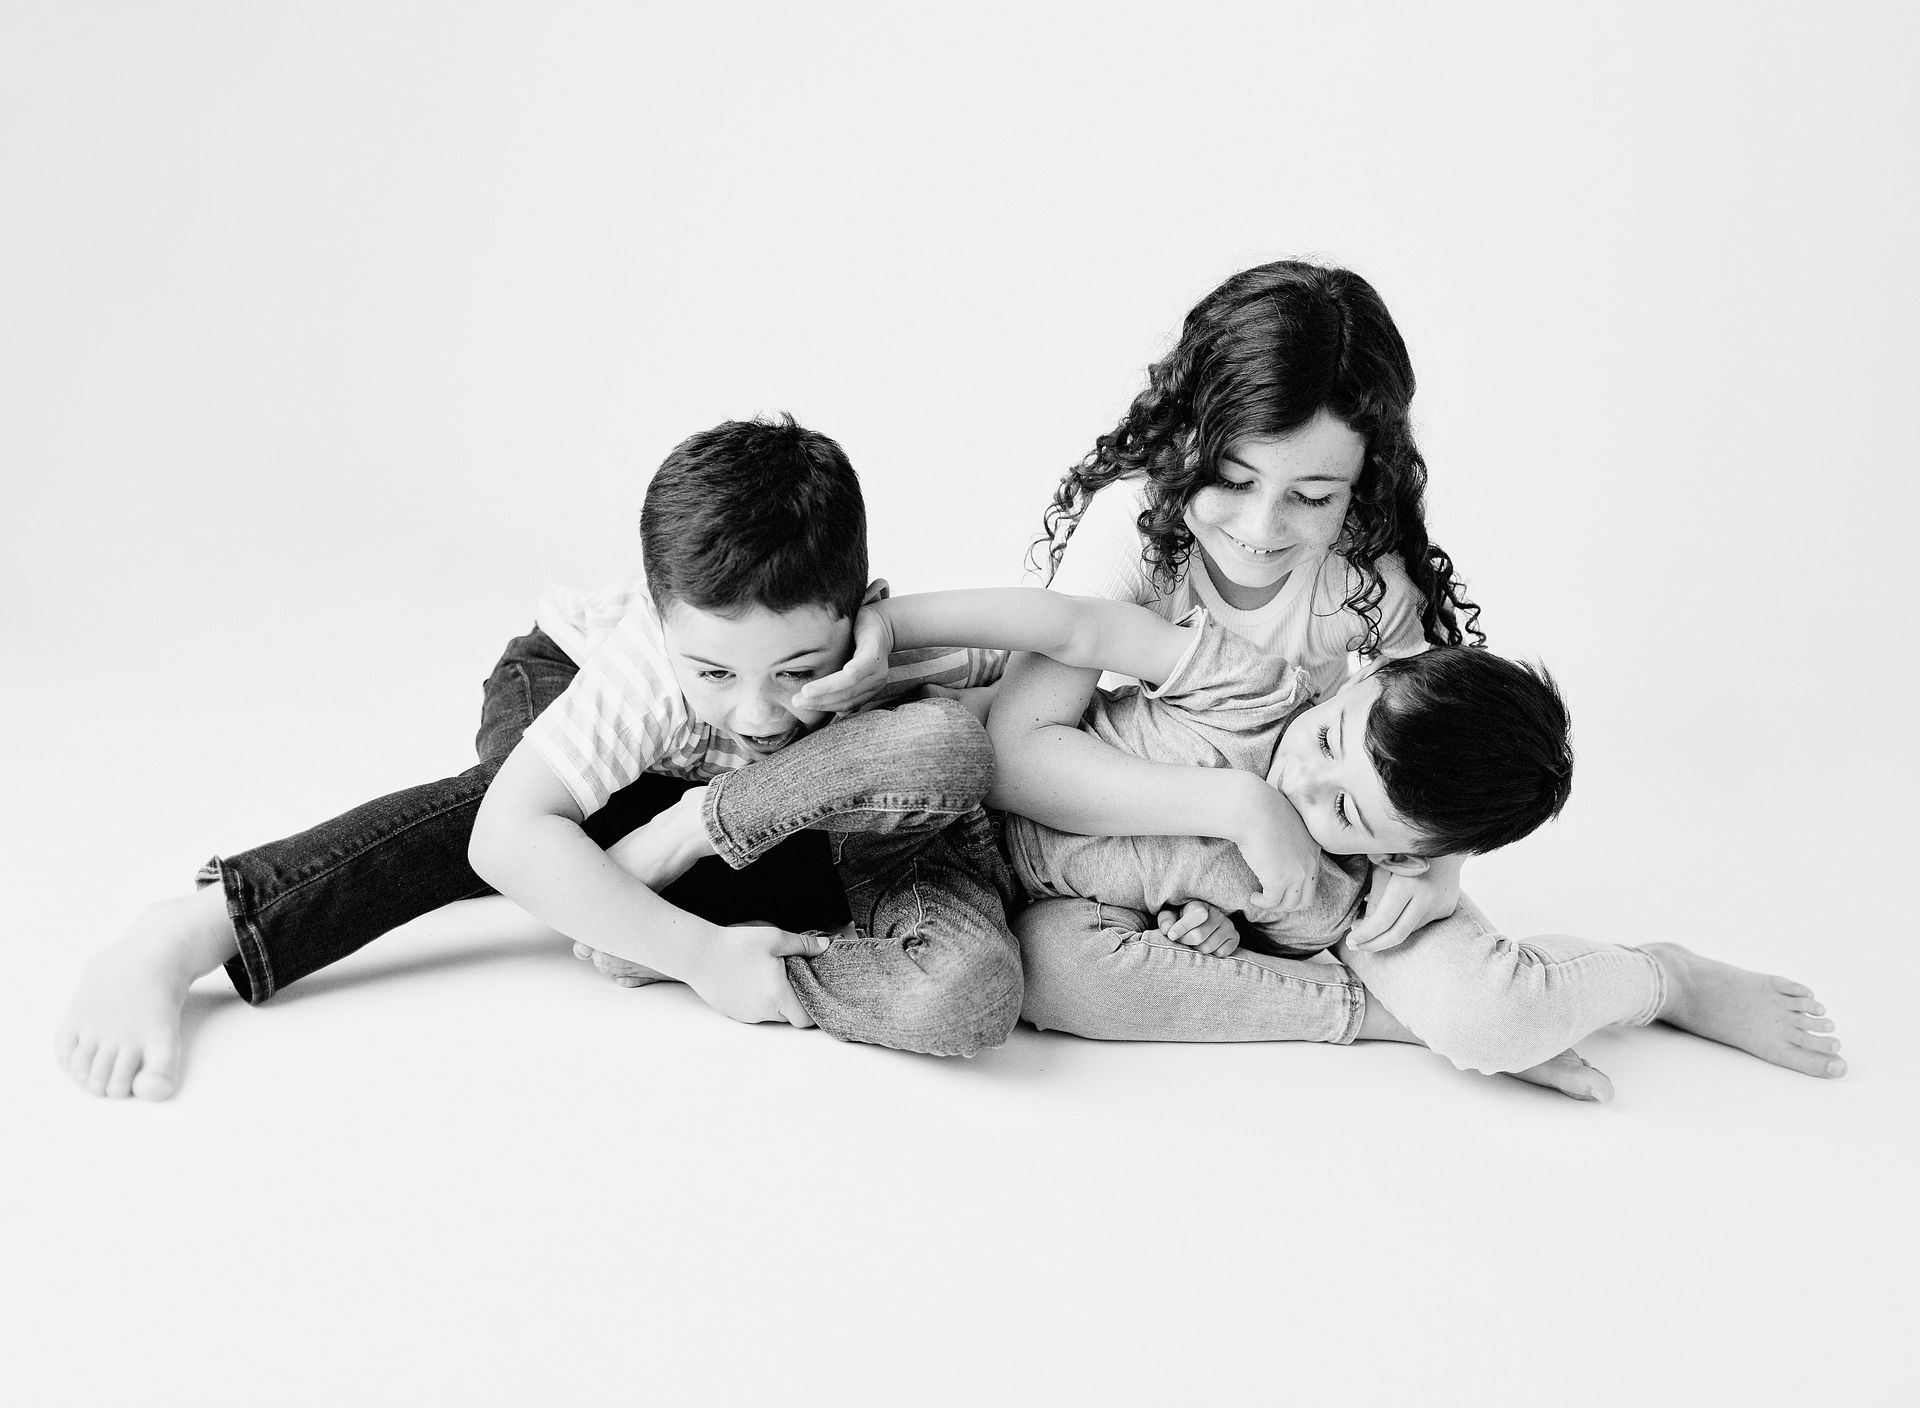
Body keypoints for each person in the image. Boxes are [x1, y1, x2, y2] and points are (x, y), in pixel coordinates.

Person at [798, 259, 1842, 1099]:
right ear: (1184, 443)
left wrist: (1436, 862)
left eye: (1311, 496)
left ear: (1363, 486)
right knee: (1056, 972)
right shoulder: (1154, 550)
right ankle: (1375, 1018)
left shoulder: (1368, 585)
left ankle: (1661, 977)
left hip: (1325, 878)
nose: (1261, 530)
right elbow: (1020, 749)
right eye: (1235, 480)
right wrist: (1241, 806)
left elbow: (1441, 743)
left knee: (1489, 1014)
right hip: (1123, 842)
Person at [56, 414, 1018, 1100]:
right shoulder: (642, 673)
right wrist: (698, 958)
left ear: (857, 616)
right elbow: (507, 837)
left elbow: (1056, 649)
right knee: (509, 819)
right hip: (560, 680)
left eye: (797, 670)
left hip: (711, 786)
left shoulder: (872, 645)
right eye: (716, 670)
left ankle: (632, 902)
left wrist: (898, 632)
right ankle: (194, 926)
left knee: (771, 868)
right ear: (663, 627)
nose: (757, 707)